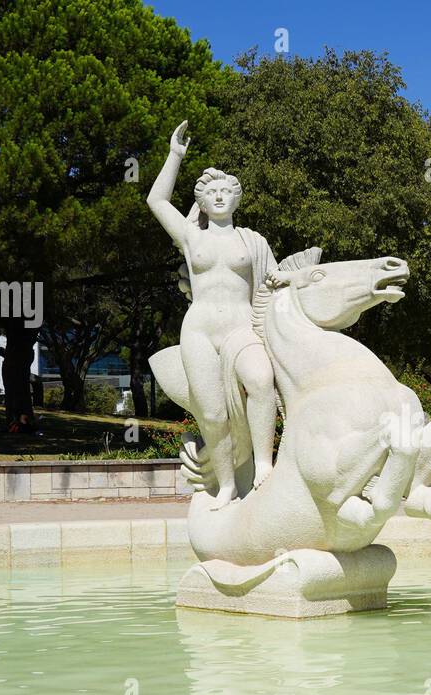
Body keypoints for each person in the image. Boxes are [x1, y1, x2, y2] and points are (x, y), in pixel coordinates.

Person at [146, 120, 278, 509]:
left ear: (236, 200)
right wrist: (174, 156)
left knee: (261, 379)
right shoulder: (192, 238)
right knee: (212, 412)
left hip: (241, 328)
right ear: (202, 203)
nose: (219, 197)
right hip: (200, 330)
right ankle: (226, 485)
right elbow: (156, 202)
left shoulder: (253, 241)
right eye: (212, 193)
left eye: (226, 192)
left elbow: (276, 281)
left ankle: (265, 466)